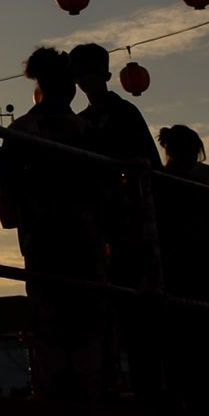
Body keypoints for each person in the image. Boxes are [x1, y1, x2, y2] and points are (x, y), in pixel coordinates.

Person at [0, 47, 109, 400]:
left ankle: (56, 403)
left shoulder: (21, 131)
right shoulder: (87, 130)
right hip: (86, 246)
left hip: (42, 245)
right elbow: (106, 194)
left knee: (51, 331)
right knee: (89, 330)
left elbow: (7, 208)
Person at [69, 42, 161, 396]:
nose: (87, 80)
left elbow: (151, 166)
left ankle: (146, 386)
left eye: (91, 72)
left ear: (105, 75)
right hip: (100, 223)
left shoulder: (123, 114)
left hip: (129, 223)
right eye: (82, 73)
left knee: (138, 310)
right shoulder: (82, 121)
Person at [153, 124, 209, 411]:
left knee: (194, 342)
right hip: (185, 263)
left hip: (193, 263)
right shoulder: (168, 182)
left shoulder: (175, 180)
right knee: (192, 341)